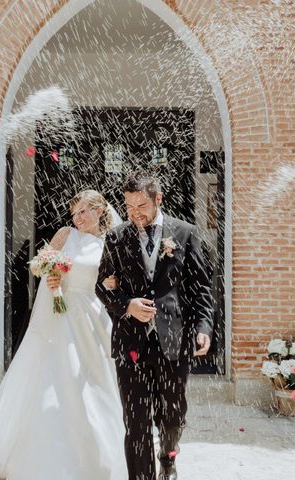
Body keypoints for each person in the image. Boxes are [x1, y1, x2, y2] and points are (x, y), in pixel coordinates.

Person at [0, 189, 127, 480]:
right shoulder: (65, 234)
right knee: (56, 375)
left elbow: (113, 280)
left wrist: (113, 281)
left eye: (83, 211)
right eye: (74, 212)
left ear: (99, 211)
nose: (78, 217)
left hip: (91, 315)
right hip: (60, 314)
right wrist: (50, 274)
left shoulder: (110, 241)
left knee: (94, 380)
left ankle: (99, 454)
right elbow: (38, 263)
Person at [95, 172, 213, 480]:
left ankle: (168, 458)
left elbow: (201, 286)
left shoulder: (184, 233)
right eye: (129, 206)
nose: (135, 212)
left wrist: (204, 326)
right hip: (130, 343)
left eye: (142, 205)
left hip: (174, 341)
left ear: (158, 199)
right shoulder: (116, 237)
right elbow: (102, 287)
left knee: (172, 418)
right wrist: (127, 305)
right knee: (136, 424)